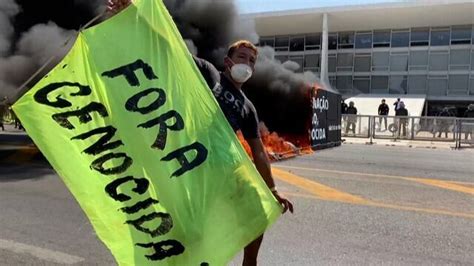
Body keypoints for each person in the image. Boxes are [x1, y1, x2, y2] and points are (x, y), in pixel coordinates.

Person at [107, 1, 294, 265]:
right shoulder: (209, 75)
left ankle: (250, 263)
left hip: (229, 169)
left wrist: (272, 189)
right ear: (228, 62)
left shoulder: (248, 108)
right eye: (243, 58)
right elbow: (169, 49)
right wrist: (133, 16)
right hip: (196, 168)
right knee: (192, 234)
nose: (248, 64)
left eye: (252, 61)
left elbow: (259, 151)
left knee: (259, 212)